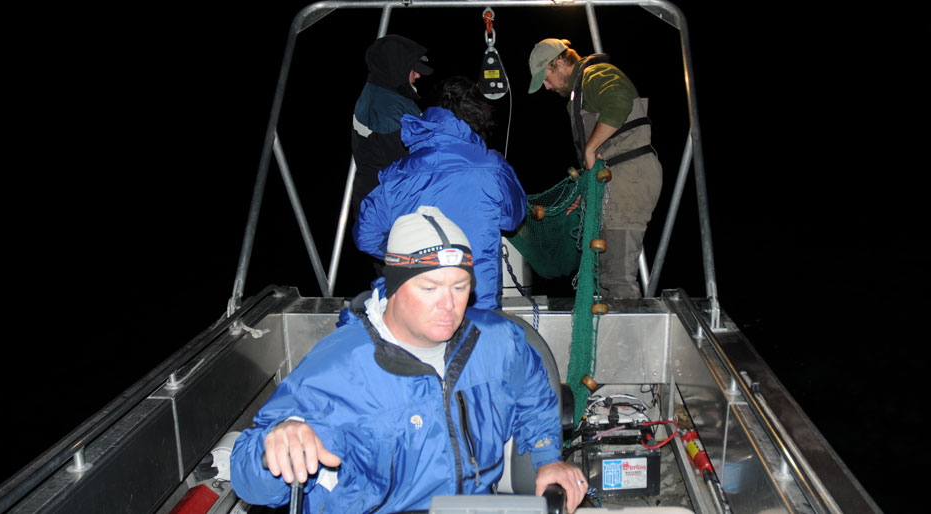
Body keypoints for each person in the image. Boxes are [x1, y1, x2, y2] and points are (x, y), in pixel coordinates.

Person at [230, 206, 587, 513]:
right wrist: (274, 444)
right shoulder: (336, 370)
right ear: (396, 287)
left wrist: (547, 458)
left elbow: (534, 392)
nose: (449, 304)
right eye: (430, 288)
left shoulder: (498, 339)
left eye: (460, 286)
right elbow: (251, 482)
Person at [355, 76, 526, 311]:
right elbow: (513, 218)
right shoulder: (493, 166)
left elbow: (366, 236)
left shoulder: (397, 172)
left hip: (414, 307)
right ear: (477, 115)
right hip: (474, 305)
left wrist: (405, 256)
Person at [528, 38, 662, 299]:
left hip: (628, 178)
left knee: (617, 278)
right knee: (601, 278)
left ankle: (628, 339)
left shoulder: (596, 74)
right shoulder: (577, 94)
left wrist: (589, 149)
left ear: (558, 63)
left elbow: (620, 101)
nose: (546, 87)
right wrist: (584, 192)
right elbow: (599, 155)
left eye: (545, 78)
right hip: (611, 181)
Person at [350, 34, 433, 223]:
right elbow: (412, 163)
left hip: (388, 200)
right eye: (414, 70)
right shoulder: (385, 107)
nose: (418, 75)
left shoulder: (384, 91)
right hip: (387, 208)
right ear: (397, 69)